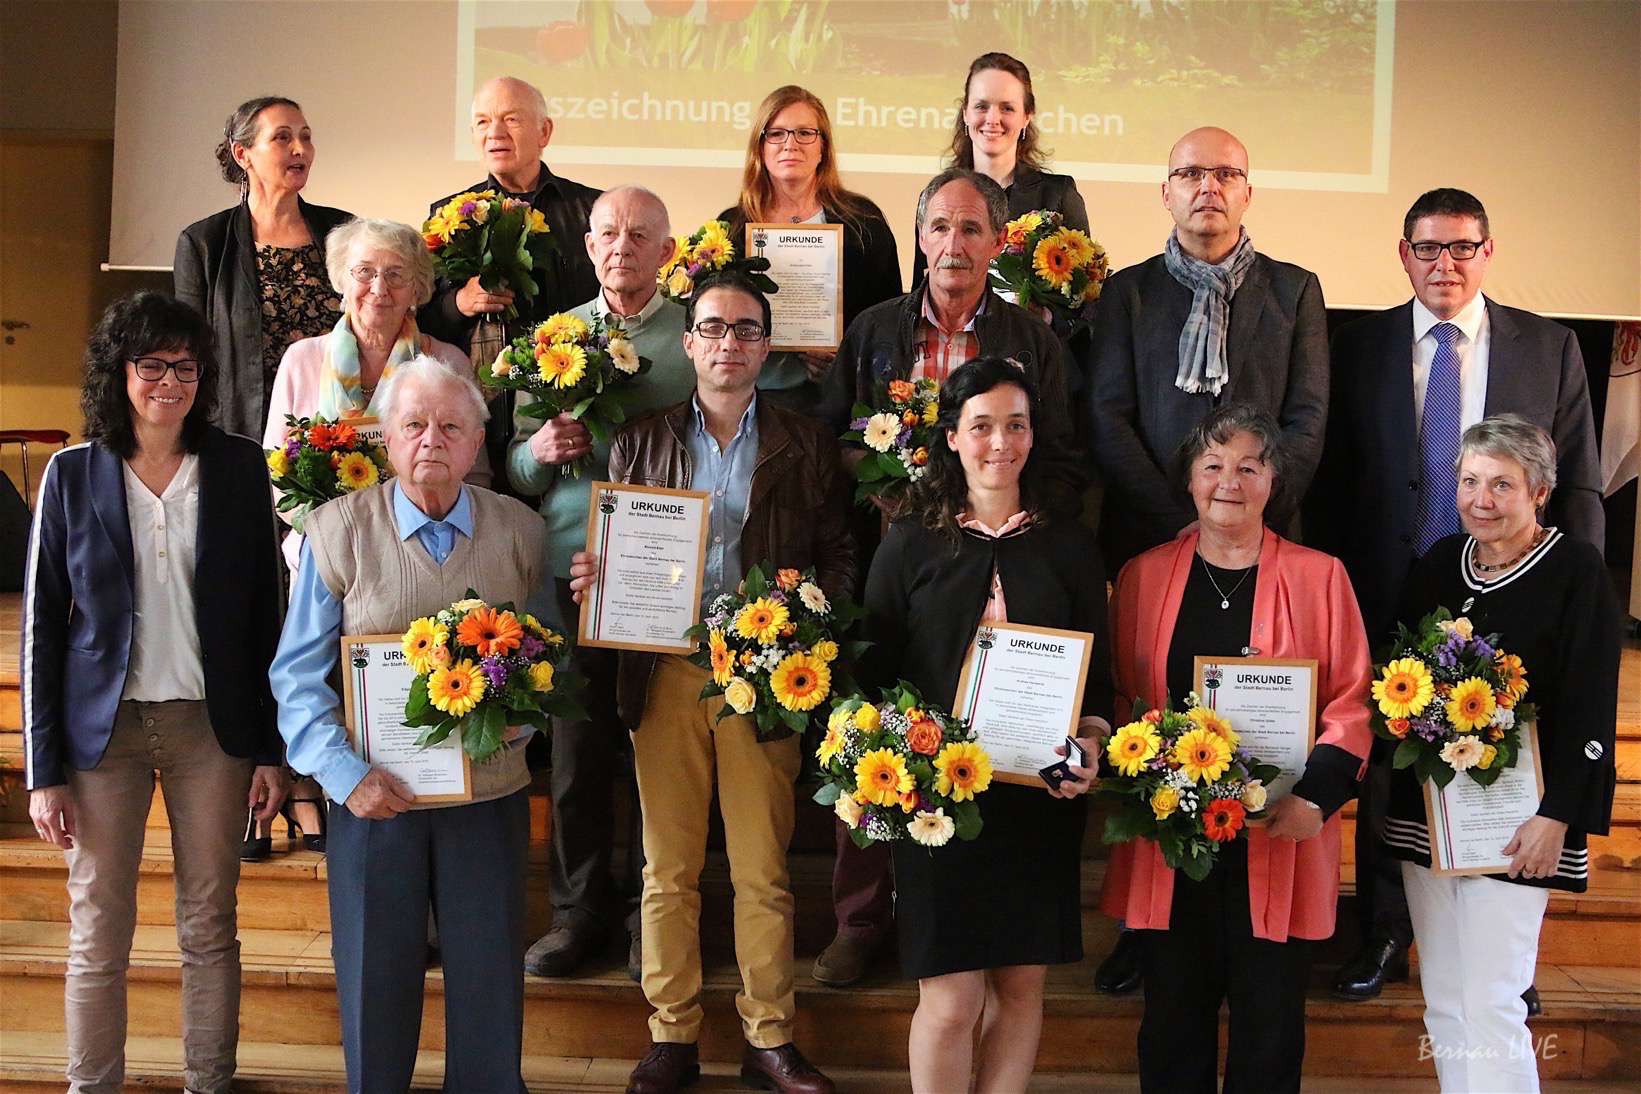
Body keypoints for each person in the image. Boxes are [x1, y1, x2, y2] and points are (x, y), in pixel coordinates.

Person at [1309, 189, 1606, 1003]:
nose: (1444, 263)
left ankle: (1505, 947)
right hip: (1391, 590)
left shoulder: (1547, 346)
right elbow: (1333, 481)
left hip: (1520, 592)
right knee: (1391, 762)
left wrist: (1579, 586)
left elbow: (1579, 477)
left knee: (1513, 746)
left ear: (1487, 252)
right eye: (1427, 248)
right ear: (1402, 254)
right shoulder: (1357, 344)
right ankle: (1384, 929)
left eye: (1461, 247)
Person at [566, 273, 851, 1094]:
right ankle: (672, 1035)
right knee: (668, 870)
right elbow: (617, 552)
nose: (729, 342)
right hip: (664, 671)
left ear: (766, 346)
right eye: (714, 328)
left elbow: (839, 556)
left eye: (746, 329)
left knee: (762, 871)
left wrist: (804, 624)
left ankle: (770, 1038)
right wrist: (596, 578)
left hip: (764, 678)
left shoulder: (805, 443)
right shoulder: (639, 441)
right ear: (688, 343)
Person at [816, 167, 1082, 987]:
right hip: (897, 558)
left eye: (971, 229)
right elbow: (834, 438)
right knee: (876, 725)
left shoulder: (1032, 341)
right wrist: (885, 481)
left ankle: (975, 916)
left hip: (999, 563)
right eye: (939, 227)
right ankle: (862, 920)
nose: (953, 244)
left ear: (998, 242)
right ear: (920, 237)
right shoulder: (873, 330)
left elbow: (1062, 454)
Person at [22, 291, 288, 1094]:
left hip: (213, 729)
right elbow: (41, 625)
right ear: (120, 372)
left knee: (209, 922)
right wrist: (42, 770)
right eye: (152, 365)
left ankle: (209, 1081)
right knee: (98, 928)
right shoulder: (72, 473)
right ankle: (91, 1085)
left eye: (185, 366)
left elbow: (265, 615)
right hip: (102, 737)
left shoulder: (238, 466)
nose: (169, 381)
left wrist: (270, 749)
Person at [269, 354, 547, 1093]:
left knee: (488, 978)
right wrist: (343, 775)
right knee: (374, 981)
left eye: (452, 427)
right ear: (386, 438)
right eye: (414, 424)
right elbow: (296, 677)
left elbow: (551, 661)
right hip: (372, 800)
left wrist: (520, 723)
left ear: (477, 442)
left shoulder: (521, 531)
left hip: (486, 797)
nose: (432, 440)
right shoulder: (336, 532)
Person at [1099, 404, 1372, 1093]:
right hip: (1171, 836)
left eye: (1249, 466)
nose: (1229, 481)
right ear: (1189, 479)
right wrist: (1137, 767)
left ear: (1273, 482)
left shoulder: (1320, 576)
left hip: (1280, 830)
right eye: (1213, 465)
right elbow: (1124, 697)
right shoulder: (1142, 576)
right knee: (1171, 1022)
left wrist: (1315, 799)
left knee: (1269, 1027)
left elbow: (1350, 701)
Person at [863, 357, 1110, 1094]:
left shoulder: (1070, 544)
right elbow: (874, 667)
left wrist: (1091, 743)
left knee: (1021, 987)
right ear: (951, 437)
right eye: (981, 426)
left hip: (1037, 797)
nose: (1000, 442)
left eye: (1015, 425)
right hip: (935, 802)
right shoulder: (910, 539)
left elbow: (1097, 679)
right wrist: (892, 752)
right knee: (950, 999)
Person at [1382, 415, 1619, 1093]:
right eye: (1468, 481)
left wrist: (1558, 815)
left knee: (1492, 1002)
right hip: (1432, 816)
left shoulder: (1575, 570)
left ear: (1539, 491)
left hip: (1522, 823)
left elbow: (1590, 704)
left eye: (1501, 484)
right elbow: (1398, 672)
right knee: (1444, 999)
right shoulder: (1438, 563)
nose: (1480, 499)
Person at [510, 187, 699, 982]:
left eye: (640, 235)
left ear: (667, 252)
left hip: (663, 570)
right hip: (570, 568)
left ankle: (651, 916)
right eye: (609, 233)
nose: (622, 246)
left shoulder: (692, 335)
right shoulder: (553, 338)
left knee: (660, 749)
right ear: (589, 247)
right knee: (578, 753)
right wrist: (540, 451)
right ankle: (577, 912)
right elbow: (516, 467)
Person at [1087, 126, 1327, 574]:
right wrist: (1177, 519)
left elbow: (1307, 419)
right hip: (1150, 534)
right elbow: (1108, 417)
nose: (1208, 187)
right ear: (1167, 193)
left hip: (1264, 535)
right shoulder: (1128, 291)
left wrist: (1249, 512)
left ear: (1247, 194)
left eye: (1226, 174)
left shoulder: (1294, 291)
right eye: (1191, 173)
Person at [264, 217, 491, 572]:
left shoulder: (448, 364)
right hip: (323, 556)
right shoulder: (301, 360)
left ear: (417, 289)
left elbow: (476, 475)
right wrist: (331, 531)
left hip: (424, 556)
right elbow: (275, 476)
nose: (379, 288)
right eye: (364, 272)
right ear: (342, 280)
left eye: (396, 274)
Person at [420, 76, 602, 485]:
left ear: (544, 132)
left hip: (569, 415)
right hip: (477, 421)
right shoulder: (448, 217)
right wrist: (460, 303)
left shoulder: (591, 210)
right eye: (483, 122)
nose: (495, 133)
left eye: (511, 119)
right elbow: (420, 322)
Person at [174, 96, 353, 439]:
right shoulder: (204, 242)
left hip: (334, 426)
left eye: (306, 137)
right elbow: (187, 352)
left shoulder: (342, 230)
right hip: (239, 430)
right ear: (243, 154)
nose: (300, 149)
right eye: (283, 137)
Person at [718, 85, 901, 418]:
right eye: (776, 133)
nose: (790, 144)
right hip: (752, 400)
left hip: (839, 403)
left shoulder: (864, 223)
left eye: (804, 133)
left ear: (823, 148)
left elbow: (890, 318)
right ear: (760, 147)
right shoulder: (730, 229)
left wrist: (845, 358)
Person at [911, 53, 1090, 287]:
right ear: (965, 113)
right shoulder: (936, 198)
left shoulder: (1058, 196)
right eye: (981, 106)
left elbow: (1082, 292)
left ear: (1027, 116)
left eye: (1007, 108)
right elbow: (921, 290)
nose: (993, 119)